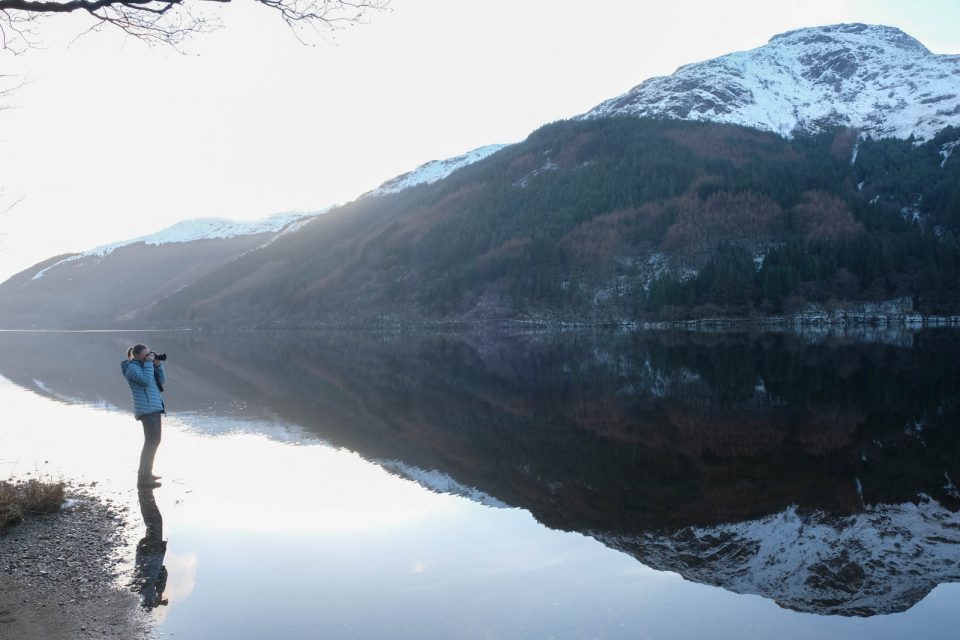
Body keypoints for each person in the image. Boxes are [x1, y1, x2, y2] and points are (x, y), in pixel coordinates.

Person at [121, 343, 166, 488]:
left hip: (154, 407)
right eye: (146, 354)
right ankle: (143, 478)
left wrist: (157, 366)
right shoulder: (131, 368)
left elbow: (161, 381)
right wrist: (148, 364)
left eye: (149, 353)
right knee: (151, 442)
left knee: (155, 441)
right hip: (146, 410)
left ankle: (147, 474)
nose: (149, 356)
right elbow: (146, 381)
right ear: (138, 355)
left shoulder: (145, 365)